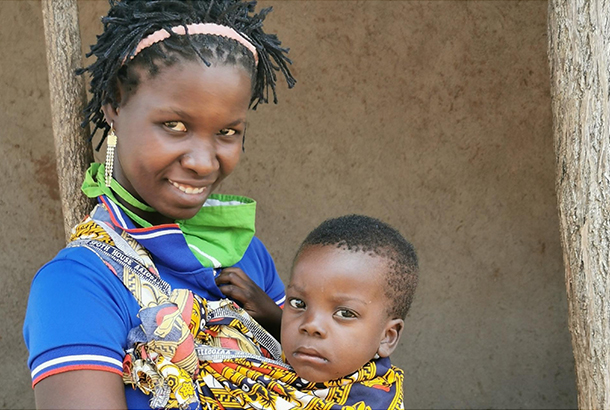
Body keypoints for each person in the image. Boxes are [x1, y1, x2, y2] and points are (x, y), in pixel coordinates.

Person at [23, 0, 295, 408]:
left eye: (227, 131)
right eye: (174, 125)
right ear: (114, 105)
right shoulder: (77, 285)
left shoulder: (245, 254)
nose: (203, 162)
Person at [116, 214, 418, 409]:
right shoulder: (323, 363)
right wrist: (274, 315)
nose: (312, 325)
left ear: (388, 337)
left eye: (344, 314)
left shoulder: (372, 400)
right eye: (299, 303)